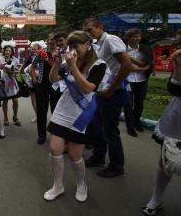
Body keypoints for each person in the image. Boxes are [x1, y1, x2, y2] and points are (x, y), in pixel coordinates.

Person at [44, 31, 110, 202]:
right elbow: (53, 79)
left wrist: (73, 66)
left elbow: (88, 88)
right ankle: (58, 185)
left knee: (74, 155)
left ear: (88, 44)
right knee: (54, 149)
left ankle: (81, 184)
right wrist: (57, 62)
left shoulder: (98, 64)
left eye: (76, 46)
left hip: (81, 112)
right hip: (63, 109)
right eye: (70, 46)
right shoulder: (68, 61)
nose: (72, 49)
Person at [83, 18, 133, 178]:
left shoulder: (111, 40)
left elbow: (126, 65)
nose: (87, 33)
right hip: (102, 92)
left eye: (90, 29)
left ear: (100, 27)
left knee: (110, 131)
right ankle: (98, 157)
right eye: (86, 30)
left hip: (113, 93)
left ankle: (117, 166)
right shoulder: (98, 43)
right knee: (99, 127)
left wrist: (111, 89)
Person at [142, 48, 181, 215]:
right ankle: (156, 199)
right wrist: (177, 65)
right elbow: (175, 88)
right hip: (178, 118)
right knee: (166, 157)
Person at [123, 28, 153, 137]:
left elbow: (148, 64)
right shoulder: (122, 49)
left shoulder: (145, 49)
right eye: (135, 36)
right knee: (128, 104)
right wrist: (138, 68)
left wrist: (141, 67)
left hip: (142, 80)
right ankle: (130, 127)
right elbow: (122, 65)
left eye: (139, 36)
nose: (137, 38)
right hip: (127, 80)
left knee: (139, 104)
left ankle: (137, 122)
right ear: (128, 38)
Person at [29, 40, 54, 145]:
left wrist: (47, 58)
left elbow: (58, 67)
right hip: (42, 85)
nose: (53, 42)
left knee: (56, 111)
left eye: (56, 40)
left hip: (56, 85)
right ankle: (41, 135)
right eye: (51, 40)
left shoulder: (62, 53)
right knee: (41, 111)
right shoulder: (41, 52)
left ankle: (55, 134)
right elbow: (32, 66)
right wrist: (34, 79)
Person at [0, 40, 20, 126]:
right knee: (5, 100)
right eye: (6, 50)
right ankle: (5, 117)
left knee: (15, 100)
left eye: (9, 50)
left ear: (12, 52)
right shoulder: (1, 58)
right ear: (4, 51)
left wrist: (13, 71)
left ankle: (15, 116)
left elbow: (17, 70)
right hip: (4, 81)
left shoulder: (15, 59)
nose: (7, 52)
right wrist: (9, 70)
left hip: (12, 81)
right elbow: (1, 67)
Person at [50, 31, 69, 112]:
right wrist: (56, 61)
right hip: (58, 86)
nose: (58, 43)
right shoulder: (59, 53)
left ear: (68, 40)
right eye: (57, 41)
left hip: (71, 90)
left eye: (61, 40)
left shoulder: (75, 52)